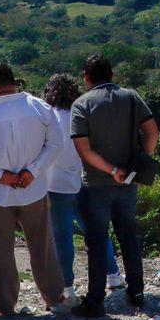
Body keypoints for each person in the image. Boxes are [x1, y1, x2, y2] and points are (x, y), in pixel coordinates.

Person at [0, 62, 68, 317]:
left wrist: (1, 176)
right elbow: (55, 144)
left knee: (0, 250)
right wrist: (32, 171)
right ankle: (54, 298)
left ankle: (6, 304)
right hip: (33, 189)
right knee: (42, 244)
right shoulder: (38, 107)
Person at [70, 54, 158, 316]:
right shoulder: (131, 96)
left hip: (96, 183)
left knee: (97, 241)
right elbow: (152, 131)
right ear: (111, 74)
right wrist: (139, 163)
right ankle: (137, 291)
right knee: (128, 236)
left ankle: (95, 300)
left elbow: (83, 150)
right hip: (128, 182)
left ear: (86, 77)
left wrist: (112, 170)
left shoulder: (81, 104)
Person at [43, 72, 118, 305]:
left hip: (55, 184)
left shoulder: (48, 117)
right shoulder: (82, 113)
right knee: (96, 232)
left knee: (62, 237)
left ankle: (68, 287)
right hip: (85, 180)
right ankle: (114, 276)